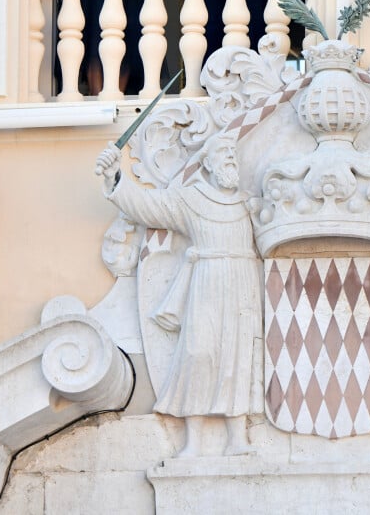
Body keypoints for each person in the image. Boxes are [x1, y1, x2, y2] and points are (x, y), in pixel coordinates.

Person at [95, 134, 262, 458]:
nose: (230, 160)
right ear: (209, 164)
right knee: (198, 354)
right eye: (223, 155)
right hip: (207, 282)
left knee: (237, 358)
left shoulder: (246, 203)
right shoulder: (193, 199)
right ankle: (195, 440)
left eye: (233, 155)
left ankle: (237, 438)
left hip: (243, 284)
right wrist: (116, 176)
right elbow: (150, 207)